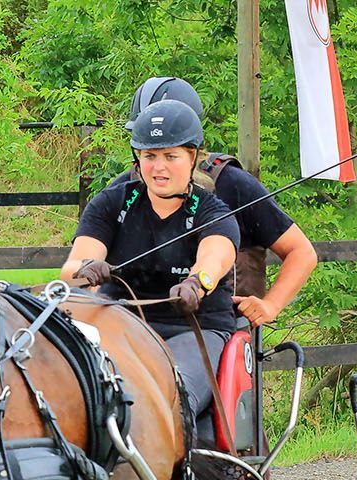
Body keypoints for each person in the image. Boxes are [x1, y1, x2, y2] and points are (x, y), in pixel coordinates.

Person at [62, 100, 240, 436]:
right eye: (150, 156)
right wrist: (87, 269)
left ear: (193, 157)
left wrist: (196, 283)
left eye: (170, 156)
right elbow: (71, 268)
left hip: (195, 331)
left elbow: (214, 259)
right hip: (121, 325)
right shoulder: (112, 203)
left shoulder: (212, 211)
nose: (159, 168)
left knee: (167, 394)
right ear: (137, 159)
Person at [118, 77, 319, 327]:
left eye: (168, 147)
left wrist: (270, 305)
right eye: (146, 145)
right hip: (137, 327)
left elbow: (301, 252)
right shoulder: (124, 189)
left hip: (221, 329)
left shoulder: (233, 184)